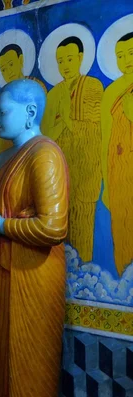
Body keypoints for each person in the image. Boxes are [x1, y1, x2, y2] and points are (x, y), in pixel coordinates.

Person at [0, 79, 68, 396]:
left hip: (32, 275)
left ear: (30, 112)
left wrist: (4, 228)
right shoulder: (2, 160)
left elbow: (54, 227)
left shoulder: (44, 155)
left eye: (1, 112)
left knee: (26, 365)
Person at [42, 36, 103, 262]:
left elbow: (94, 129)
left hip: (86, 173)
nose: (65, 65)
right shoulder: (54, 93)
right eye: (60, 61)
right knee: (59, 238)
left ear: (80, 58)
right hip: (58, 176)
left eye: (69, 59)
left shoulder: (93, 87)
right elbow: (47, 134)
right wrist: (59, 124)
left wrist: (67, 119)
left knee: (83, 235)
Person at [101, 32, 133, 275]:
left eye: (131, 53)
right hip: (118, 173)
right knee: (122, 230)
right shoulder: (111, 92)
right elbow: (105, 140)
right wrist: (106, 184)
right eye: (120, 56)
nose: (126, 60)